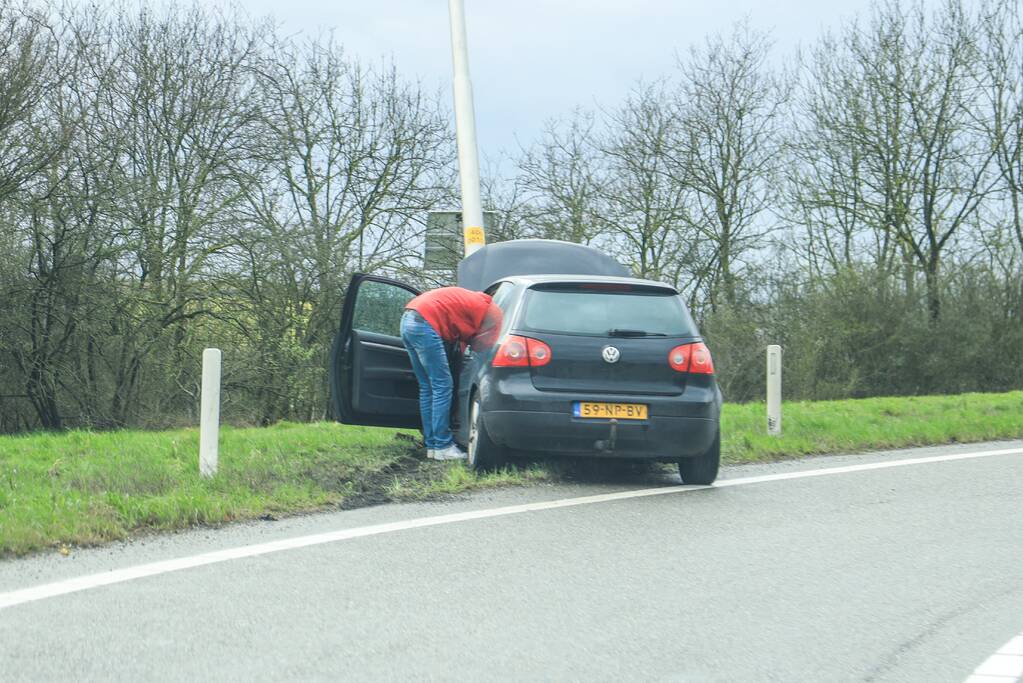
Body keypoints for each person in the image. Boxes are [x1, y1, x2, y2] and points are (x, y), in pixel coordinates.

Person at [400, 287, 501, 460]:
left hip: (408, 321)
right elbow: (482, 346)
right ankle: (442, 446)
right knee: (442, 386)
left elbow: (462, 344)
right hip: (425, 324)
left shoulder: (469, 302)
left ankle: (432, 445)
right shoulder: (494, 315)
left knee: (427, 387)